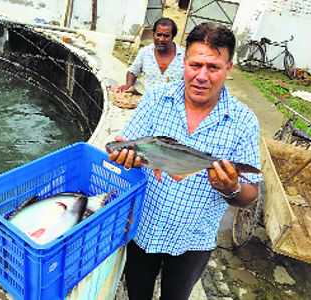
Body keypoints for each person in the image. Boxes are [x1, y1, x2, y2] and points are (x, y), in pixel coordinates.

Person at [108, 22, 261, 300]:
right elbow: (127, 148)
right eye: (195, 65)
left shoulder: (244, 121)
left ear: (229, 68)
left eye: (213, 67)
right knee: (136, 294)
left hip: (193, 240)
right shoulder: (156, 98)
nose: (201, 76)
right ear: (184, 63)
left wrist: (231, 188)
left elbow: (250, 194)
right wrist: (125, 158)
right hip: (143, 227)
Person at [117, 17, 185, 93]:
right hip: (148, 100)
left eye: (166, 36)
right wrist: (128, 85)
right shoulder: (145, 52)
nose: (161, 39)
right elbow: (132, 72)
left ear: (173, 37)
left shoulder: (184, 56)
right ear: (153, 35)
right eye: (158, 35)